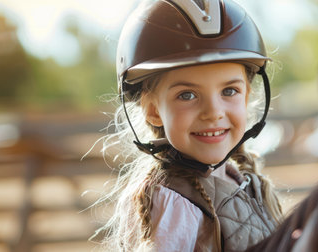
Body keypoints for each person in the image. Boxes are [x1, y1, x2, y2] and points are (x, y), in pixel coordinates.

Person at [91, 0, 282, 251]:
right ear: (153, 110)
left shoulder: (246, 182)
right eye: (187, 95)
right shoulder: (173, 203)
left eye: (229, 90)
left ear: (246, 97)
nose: (213, 113)